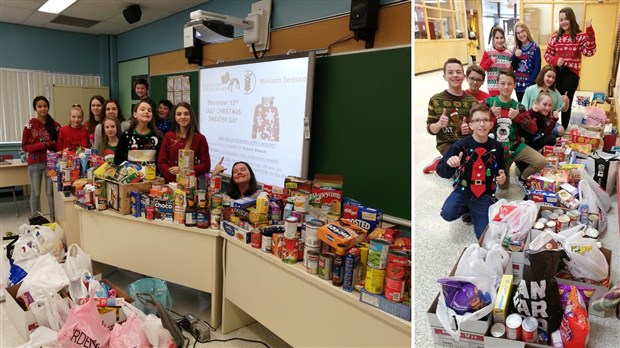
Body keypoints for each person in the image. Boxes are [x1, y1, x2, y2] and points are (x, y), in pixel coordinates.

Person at [437, 103, 506, 238]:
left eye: (486, 120)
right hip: (463, 190)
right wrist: (449, 164)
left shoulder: (497, 147)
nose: (482, 124)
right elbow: (441, 171)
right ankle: (467, 209)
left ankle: (481, 207)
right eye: (477, 120)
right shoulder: (459, 145)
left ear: (491, 125)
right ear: (471, 125)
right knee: (447, 213)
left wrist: (502, 177)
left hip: (484, 193)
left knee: (483, 236)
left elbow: (501, 171)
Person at [485, 69, 545, 196]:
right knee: (503, 187)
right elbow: (479, 126)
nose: (506, 87)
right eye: (502, 83)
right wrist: (492, 115)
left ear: (514, 85)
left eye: (509, 84)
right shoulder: (488, 103)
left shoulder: (518, 106)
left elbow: (533, 129)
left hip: (516, 146)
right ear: (497, 84)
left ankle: (522, 178)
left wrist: (518, 117)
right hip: (497, 151)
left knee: (541, 161)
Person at [423, 58, 478, 174]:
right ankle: (441, 164)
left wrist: (469, 129)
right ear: (444, 77)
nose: (455, 75)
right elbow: (430, 129)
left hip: (466, 143)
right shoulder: (435, 100)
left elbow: (476, 128)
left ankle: (441, 162)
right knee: (462, 168)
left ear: (464, 76)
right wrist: (438, 124)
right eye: (450, 72)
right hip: (446, 144)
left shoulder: (472, 101)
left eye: (458, 72)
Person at [545, 7, 596, 129]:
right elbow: (547, 54)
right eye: (561, 19)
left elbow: (589, 52)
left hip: (571, 74)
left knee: (566, 102)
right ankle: (550, 128)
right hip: (556, 72)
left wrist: (589, 30)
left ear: (571, 19)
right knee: (553, 100)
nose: (563, 22)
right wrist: (556, 60)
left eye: (566, 19)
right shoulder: (555, 36)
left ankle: (563, 129)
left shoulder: (580, 36)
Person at [21, 96, 61, 220]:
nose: (43, 109)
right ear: (35, 108)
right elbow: (25, 146)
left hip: (51, 163)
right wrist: (42, 145)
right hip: (35, 163)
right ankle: (35, 219)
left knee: (50, 192)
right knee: (35, 193)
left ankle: (54, 217)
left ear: (48, 107)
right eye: (39, 106)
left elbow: (59, 144)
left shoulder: (55, 125)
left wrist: (50, 145)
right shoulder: (29, 126)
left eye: (45, 106)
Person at [157, 102, 211, 183]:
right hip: (171, 185)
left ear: (191, 116)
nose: (182, 117)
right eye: (179, 114)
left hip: (191, 185)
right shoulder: (169, 136)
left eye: (186, 114)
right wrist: (175, 177)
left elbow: (206, 166)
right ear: (175, 117)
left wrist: (183, 171)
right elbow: (161, 163)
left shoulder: (200, 138)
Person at [114, 100, 161, 166]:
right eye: (142, 109)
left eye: (149, 110)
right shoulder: (126, 135)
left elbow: (160, 160)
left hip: (151, 175)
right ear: (135, 114)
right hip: (132, 174)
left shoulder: (157, 136)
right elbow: (118, 159)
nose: (146, 112)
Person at [511, 22, 541, 102]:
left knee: (530, 109)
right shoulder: (516, 48)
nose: (520, 34)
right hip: (519, 85)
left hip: (530, 85)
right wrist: (515, 55)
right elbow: (512, 66)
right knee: (522, 108)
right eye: (518, 33)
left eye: (522, 31)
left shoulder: (535, 47)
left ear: (527, 31)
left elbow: (537, 68)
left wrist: (530, 83)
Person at [480, 26, 512, 97]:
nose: (499, 41)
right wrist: (489, 61)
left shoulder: (509, 54)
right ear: (493, 39)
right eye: (497, 38)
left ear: (504, 38)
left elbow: (512, 73)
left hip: (505, 88)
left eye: (501, 37)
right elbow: (481, 69)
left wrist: (510, 68)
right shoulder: (488, 52)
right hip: (493, 87)